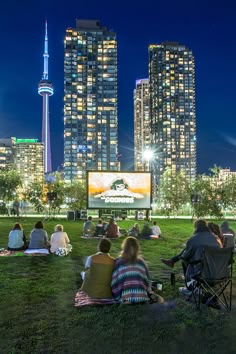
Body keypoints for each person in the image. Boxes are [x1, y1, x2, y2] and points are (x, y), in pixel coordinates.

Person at [111, 236, 164, 304]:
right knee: (156, 290)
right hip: (142, 297)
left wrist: (116, 296)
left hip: (125, 297)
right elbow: (147, 281)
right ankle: (141, 296)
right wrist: (149, 292)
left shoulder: (118, 262)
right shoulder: (141, 262)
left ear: (124, 247)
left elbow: (114, 282)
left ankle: (127, 298)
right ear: (137, 248)